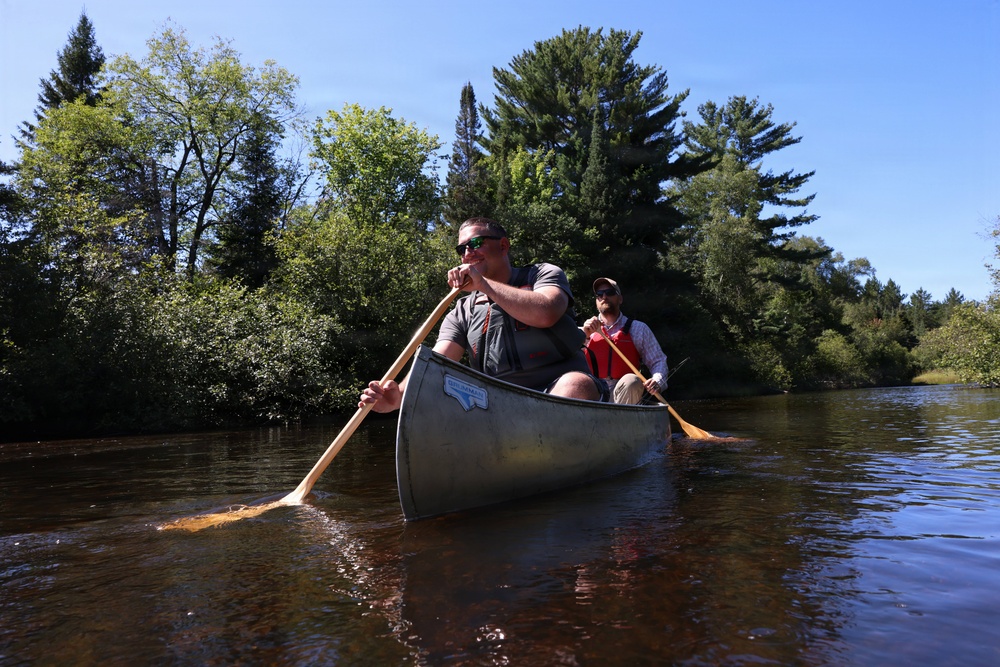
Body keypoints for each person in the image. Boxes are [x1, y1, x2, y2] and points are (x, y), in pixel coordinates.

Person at [360, 217, 610, 412]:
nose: (467, 253)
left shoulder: (543, 274)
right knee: (449, 401)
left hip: (561, 386)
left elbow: (546, 312)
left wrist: (483, 284)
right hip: (498, 405)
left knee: (576, 385)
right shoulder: (462, 311)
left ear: (503, 245)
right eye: (462, 249)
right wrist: (399, 397)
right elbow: (438, 363)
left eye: (476, 243)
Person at [581, 277, 669, 404]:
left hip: (624, 392)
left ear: (620, 299)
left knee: (632, 381)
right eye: (599, 294)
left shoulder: (638, 329)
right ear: (596, 301)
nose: (604, 296)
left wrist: (657, 380)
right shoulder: (584, 331)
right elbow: (566, 360)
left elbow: (658, 360)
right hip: (594, 391)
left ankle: (622, 421)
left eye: (610, 292)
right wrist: (584, 336)